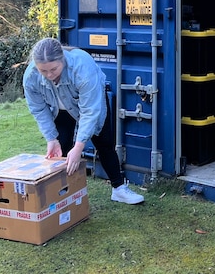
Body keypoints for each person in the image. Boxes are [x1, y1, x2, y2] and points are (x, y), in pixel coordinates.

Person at [23, 37, 144, 205]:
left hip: (90, 105)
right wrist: (51, 138)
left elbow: (90, 111)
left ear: (62, 59)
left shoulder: (82, 67)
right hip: (60, 110)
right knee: (61, 147)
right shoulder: (30, 77)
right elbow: (38, 109)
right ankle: (62, 194)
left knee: (104, 144)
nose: (49, 75)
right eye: (43, 71)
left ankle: (119, 189)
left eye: (54, 69)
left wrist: (79, 147)